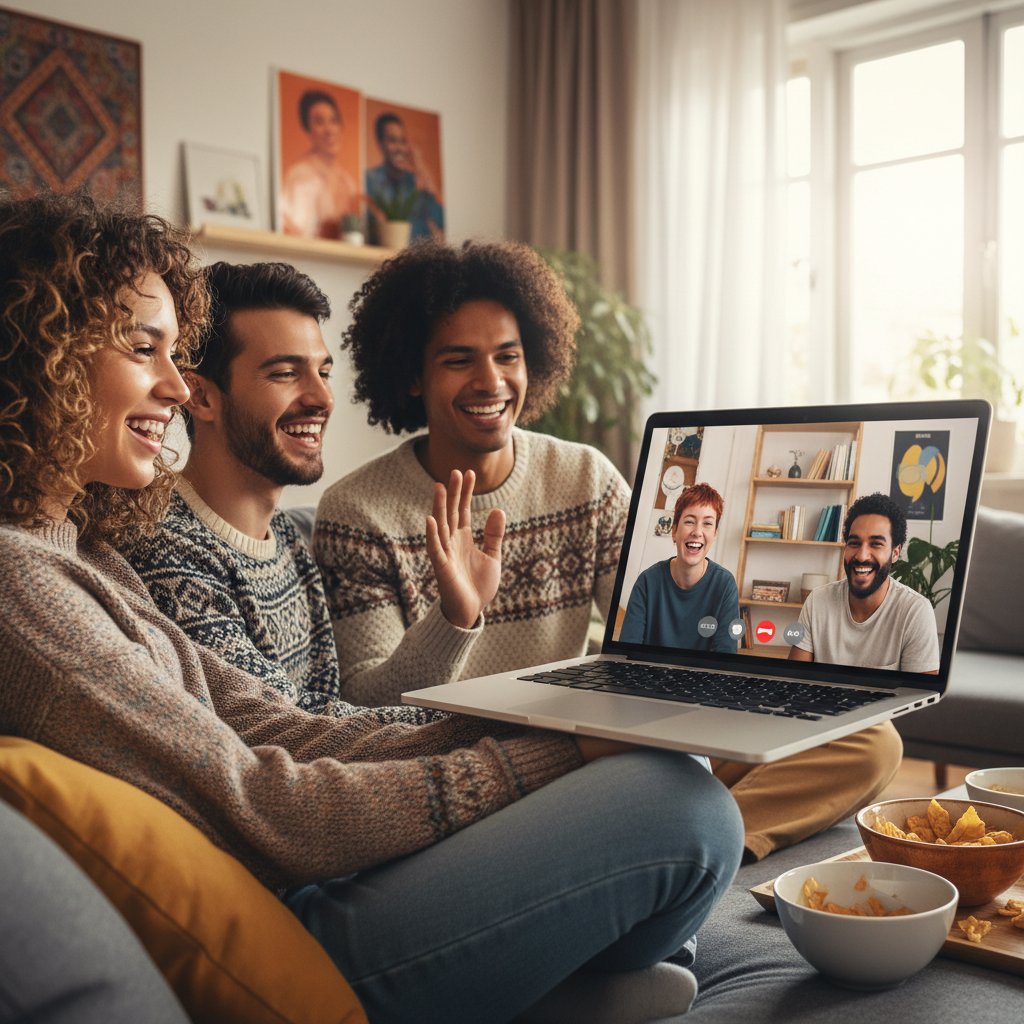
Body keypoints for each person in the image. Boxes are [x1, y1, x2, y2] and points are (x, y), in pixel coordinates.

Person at [0, 190, 743, 1024]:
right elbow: (270, 807)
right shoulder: (22, 587)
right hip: (300, 921)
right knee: (688, 809)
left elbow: (292, 726)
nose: (175, 384)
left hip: (332, 860)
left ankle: (557, 984)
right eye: (147, 349)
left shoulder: (82, 551)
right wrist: (558, 758)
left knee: (688, 769)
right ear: (45, 354)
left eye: (177, 353)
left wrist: (566, 729)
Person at [315, 238, 903, 863]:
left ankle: (701, 841)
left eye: (507, 356)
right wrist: (454, 619)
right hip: (488, 771)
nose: (491, 381)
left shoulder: (585, 478)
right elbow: (368, 711)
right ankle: (671, 837)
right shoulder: (359, 512)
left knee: (869, 741)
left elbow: (643, 632)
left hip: (605, 736)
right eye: (460, 360)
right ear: (412, 373)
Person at [121, 259, 458, 726]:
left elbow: (330, 708)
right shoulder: (166, 551)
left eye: (323, 372)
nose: (321, 398)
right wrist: (493, 725)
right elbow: (295, 730)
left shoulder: (285, 537)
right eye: (285, 373)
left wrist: (456, 618)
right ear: (200, 397)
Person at [789, 492, 940, 672]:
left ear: (895, 552)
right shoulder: (817, 600)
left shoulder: (915, 611)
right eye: (854, 543)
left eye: (876, 544)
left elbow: (921, 696)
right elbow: (794, 679)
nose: (861, 556)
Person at [619, 483, 740, 651]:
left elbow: (726, 660)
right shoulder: (647, 582)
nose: (697, 532)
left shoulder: (725, 585)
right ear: (674, 530)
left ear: (715, 534)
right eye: (689, 521)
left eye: (707, 524)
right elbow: (626, 654)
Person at [280, 89, 357, 239]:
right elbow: (298, 233)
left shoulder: (348, 181)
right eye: (320, 122)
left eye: (334, 121)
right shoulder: (300, 176)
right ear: (308, 130)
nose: (329, 130)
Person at [365, 111, 444, 242]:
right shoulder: (370, 179)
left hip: (418, 258)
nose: (399, 148)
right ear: (380, 143)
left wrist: (421, 169)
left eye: (403, 141)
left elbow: (441, 221)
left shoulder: (416, 182)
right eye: (392, 141)